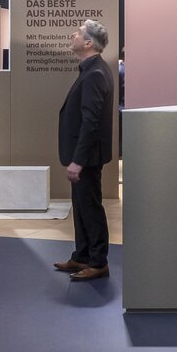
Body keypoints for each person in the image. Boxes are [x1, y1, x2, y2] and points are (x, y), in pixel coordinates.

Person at [52, 19, 116, 281]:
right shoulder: (91, 70)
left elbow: (91, 122)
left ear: (88, 42)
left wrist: (78, 160)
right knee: (81, 206)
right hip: (85, 155)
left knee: (90, 208)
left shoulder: (95, 73)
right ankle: (82, 255)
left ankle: (98, 262)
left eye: (78, 33)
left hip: (87, 158)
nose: (73, 34)